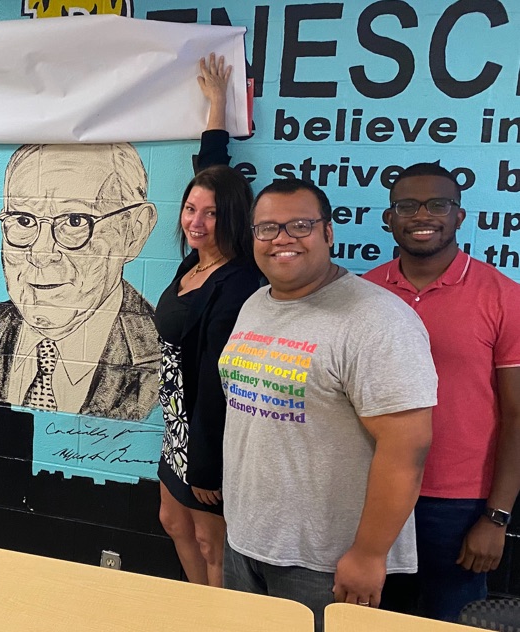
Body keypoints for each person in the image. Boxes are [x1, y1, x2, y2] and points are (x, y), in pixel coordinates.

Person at [221, 178, 436, 632]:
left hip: (325, 560)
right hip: (246, 540)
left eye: (300, 225)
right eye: (267, 228)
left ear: (328, 233)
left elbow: (407, 448)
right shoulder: (256, 303)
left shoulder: (377, 320)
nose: (282, 238)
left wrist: (369, 554)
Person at [364, 163, 520, 622]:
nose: (422, 215)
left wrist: (496, 517)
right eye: (407, 206)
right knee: (370, 619)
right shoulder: (363, 293)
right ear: (389, 218)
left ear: (459, 215)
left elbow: (517, 415)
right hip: (375, 489)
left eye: (437, 204)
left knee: (451, 621)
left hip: (459, 505)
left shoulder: (503, 296)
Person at [155, 54, 263, 588]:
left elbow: (219, 383)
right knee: (173, 521)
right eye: (190, 209)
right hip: (177, 423)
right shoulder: (195, 263)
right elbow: (211, 171)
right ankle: (195, 609)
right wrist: (217, 105)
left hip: (207, 435)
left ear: (233, 217)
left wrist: (205, 467)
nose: (196, 221)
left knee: (210, 542)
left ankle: (217, 616)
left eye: (211, 213)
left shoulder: (236, 283)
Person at [0, 142, 159, 421]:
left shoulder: (163, 356)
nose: (41, 254)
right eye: (23, 221)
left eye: (75, 221)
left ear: (134, 232)